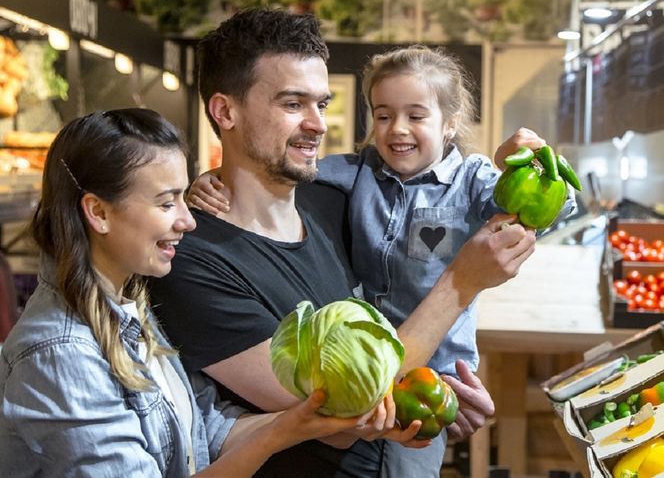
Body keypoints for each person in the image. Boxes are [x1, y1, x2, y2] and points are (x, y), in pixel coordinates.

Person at [148, 8, 537, 478]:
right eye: (293, 104)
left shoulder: (335, 202)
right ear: (225, 112)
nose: (317, 124)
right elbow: (334, 416)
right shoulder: (191, 260)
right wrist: (463, 282)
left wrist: (435, 396)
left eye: (321, 104)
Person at [0, 108, 380, 477]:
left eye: (184, 197)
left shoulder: (131, 305)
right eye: (167, 203)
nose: (188, 220)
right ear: (98, 212)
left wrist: (313, 421)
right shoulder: (61, 354)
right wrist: (282, 433)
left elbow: (210, 427)